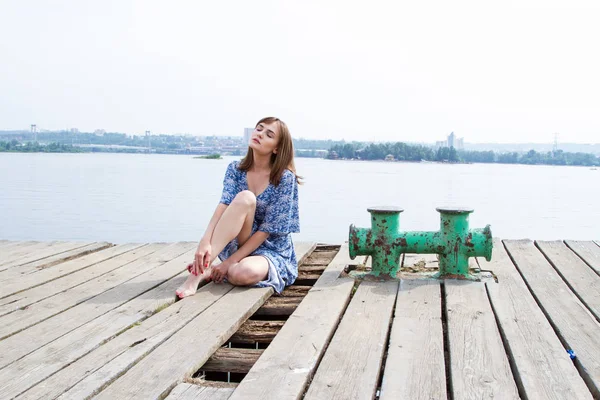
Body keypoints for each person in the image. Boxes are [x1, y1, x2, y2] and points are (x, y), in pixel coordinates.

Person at [176, 117, 301, 299]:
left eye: (269, 134)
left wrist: (228, 263)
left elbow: (266, 231)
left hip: (270, 249)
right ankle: (196, 275)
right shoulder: (235, 169)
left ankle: (217, 270)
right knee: (246, 197)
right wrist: (205, 241)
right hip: (238, 240)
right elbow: (223, 206)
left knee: (241, 273)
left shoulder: (285, 179)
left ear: (276, 148)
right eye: (259, 129)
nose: (260, 134)